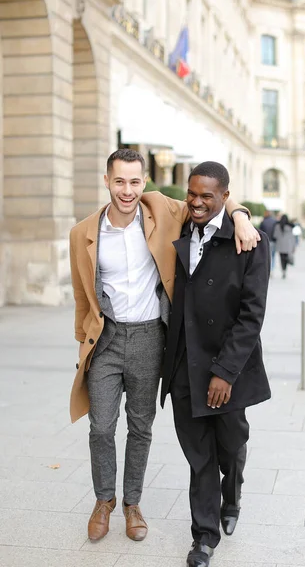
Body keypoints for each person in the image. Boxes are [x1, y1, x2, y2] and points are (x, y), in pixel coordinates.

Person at [69, 149, 260, 543]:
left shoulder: (161, 210)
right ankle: (104, 500)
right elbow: (81, 295)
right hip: (105, 340)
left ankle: (132, 504)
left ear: (145, 183)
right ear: (107, 181)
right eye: (119, 181)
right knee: (101, 426)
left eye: (135, 182)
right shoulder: (83, 232)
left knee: (141, 428)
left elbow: (212, 197)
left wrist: (242, 216)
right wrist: (82, 343)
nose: (127, 190)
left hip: (150, 338)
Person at [160, 161, 271, 567]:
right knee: (199, 457)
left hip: (229, 368)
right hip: (183, 366)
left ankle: (233, 489)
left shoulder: (251, 241)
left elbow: (251, 314)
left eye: (208, 195)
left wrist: (225, 372)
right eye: (192, 193)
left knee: (231, 444)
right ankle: (203, 538)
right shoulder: (178, 223)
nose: (197, 202)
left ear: (226, 195)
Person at [273, 214, 295, 279]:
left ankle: (283, 270)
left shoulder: (277, 226)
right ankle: (285, 270)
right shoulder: (290, 227)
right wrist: (293, 246)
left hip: (280, 245)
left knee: (281, 259)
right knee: (286, 258)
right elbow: (292, 237)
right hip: (288, 245)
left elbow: (275, 236)